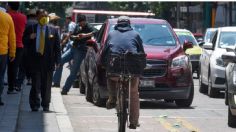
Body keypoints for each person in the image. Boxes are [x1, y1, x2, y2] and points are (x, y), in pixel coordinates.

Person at [101, 16, 145, 129]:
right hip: (132, 71)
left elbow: (105, 52)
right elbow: (141, 53)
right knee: (134, 94)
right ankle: (134, 121)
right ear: (129, 24)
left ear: (118, 24)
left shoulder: (111, 34)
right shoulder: (135, 34)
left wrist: (103, 64)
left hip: (114, 69)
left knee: (109, 75)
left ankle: (112, 98)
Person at [23, 9, 61, 111]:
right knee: (35, 84)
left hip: (48, 61)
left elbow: (57, 47)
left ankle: (45, 104)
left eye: (45, 16)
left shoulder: (53, 30)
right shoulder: (31, 28)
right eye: (41, 16)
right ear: (37, 17)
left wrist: (58, 61)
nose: (43, 18)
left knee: (46, 85)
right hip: (35, 60)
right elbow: (24, 42)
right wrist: (29, 38)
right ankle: (34, 104)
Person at [61, 14, 97, 95]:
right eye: (80, 23)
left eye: (82, 22)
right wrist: (76, 37)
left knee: (73, 72)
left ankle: (65, 89)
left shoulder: (89, 27)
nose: (81, 24)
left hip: (81, 51)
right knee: (60, 60)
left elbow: (96, 32)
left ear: (85, 21)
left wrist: (85, 35)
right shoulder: (77, 26)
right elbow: (71, 36)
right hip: (73, 48)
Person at [6, 2, 27, 94]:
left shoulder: (6, 16)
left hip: (6, 45)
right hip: (19, 45)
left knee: (4, 67)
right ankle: (11, 87)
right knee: (14, 67)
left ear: (9, 6)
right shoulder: (23, 17)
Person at [16, 8, 37, 90]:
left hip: (24, 48)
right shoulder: (38, 24)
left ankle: (18, 84)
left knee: (22, 68)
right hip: (34, 49)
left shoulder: (25, 23)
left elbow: (22, 37)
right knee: (33, 68)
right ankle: (31, 80)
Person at [52, 15, 76, 87]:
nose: (66, 21)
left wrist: (65, 40)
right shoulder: (73, 24)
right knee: (70, 64)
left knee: (62, 62)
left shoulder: (71, 24)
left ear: (68, 19)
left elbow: (70, 33)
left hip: (71, 44)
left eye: (66, 20)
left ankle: (56, 81)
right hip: (71, 45)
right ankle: (57, 81)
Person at [0, 6, 16, 105]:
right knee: (1, 75)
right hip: (3, 52)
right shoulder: (7, 17)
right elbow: (12, 37)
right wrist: (12, 52)